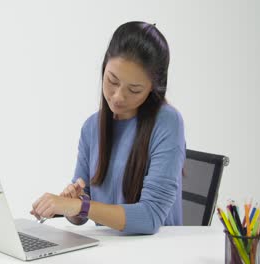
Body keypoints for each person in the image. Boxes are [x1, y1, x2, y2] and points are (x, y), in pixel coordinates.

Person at [30, 21, 186, 235]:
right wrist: (73, 205)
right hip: (108, 249)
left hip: (157, 251)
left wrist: (81, 207)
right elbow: (84, 209)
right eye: (112, 80)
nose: (118, 96)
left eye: (134, 89)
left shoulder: (168, 122)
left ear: (153, 88)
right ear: (104, 68)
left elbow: (151, 217)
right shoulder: (92, 127)